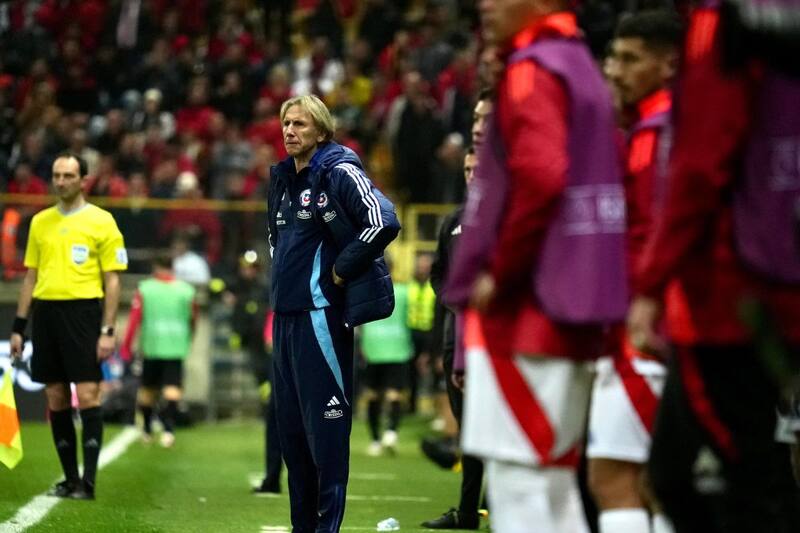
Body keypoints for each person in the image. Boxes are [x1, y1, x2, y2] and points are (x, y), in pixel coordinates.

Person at [444, 1, 627, 531]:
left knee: (519, 485)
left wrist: (499, 269)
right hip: (571, 294)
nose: (486, 5)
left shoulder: (534, 70)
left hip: (531, 307)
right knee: (552, 482)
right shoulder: (577, 63)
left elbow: (543, 175)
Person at [627, 2, 800, 532]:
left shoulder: (720, 26)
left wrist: (652, 282)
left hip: (730, 290)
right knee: (682, 474)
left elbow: (700, 165)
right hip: (778, 266)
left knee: (737, 478)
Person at [267, 94, 400, 532]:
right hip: (285, 321)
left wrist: (342, 270)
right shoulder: (283, 181)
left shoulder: (338, 170)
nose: (290, 131)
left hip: (320, 319)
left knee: (324, 438)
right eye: (286, 123)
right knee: (292, 440)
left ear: (321, 131)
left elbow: (383, 220)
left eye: (300, 124)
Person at [587, 10, 682, 533]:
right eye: (613, 57)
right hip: (651, 325)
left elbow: (659, 233)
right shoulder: (650, 128)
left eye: (630, 59)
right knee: (648, 478)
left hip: (646, 330)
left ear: (669, 64)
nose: (615, 70)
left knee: (618, 477)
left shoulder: (658, 134)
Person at [9, 152, 128, 499]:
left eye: (68, 176)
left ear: (84, 180)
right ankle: (69, 478)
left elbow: (114, 281)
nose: (61, 181)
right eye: (57, 175)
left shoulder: (102, 221)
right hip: (46, 315)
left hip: (84, 314)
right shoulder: (40, 222)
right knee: (56, 395)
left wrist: (107, 331)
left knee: (88, 394)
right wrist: (19, 326)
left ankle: (88, 482)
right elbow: (30, 276)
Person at [421, 90, 493, 531]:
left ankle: (487, 510)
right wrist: (453, 302)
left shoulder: (499, 214)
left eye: (476, 167)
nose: (471, 174)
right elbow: (439, 276)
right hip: (456, 333)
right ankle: (469, 511)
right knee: (470, 427)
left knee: (491, 430)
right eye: (466, 169)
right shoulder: (454, 221)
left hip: (490, 333)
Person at [120, 253, 197, 448]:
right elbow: (193, 318)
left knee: (147, 390)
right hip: (176, 346)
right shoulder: (186, 290)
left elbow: (134, 320)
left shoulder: (145, 289)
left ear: (155, 266)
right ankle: (168, 430)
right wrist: (189, 338)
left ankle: (146, 429)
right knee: (172, 389)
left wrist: (127, 346)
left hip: (152, 346)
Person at [358, 263, 412, 456]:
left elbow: (360, 320)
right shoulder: (404, 291)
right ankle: (391, 432)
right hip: (398, 348)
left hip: (373, 349)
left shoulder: (364, 290)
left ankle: (375, 440)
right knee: (394, 394)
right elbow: (411, 320)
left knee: (373, 395)